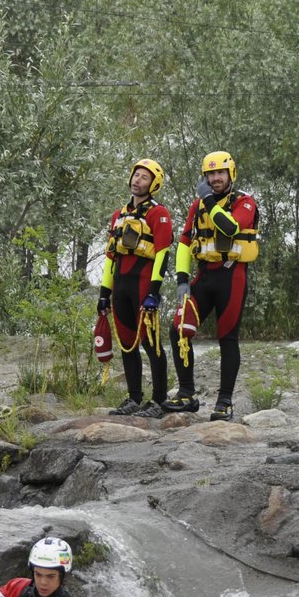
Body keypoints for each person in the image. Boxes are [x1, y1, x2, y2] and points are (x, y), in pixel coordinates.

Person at [163, 150, 259, 422]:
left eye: (220, 173)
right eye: (210, 174)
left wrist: (207, 199)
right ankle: (186, 393)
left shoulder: (245, 202)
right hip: (204, 277)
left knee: (227, 338)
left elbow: (229, 228)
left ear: (230, 174)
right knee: (178, 330)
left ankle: (224, 402)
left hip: (232, 277)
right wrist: (182, 279)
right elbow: (184, 242)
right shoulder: (197, 207)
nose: (215, 178)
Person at [98, 158, 173, 418]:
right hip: (120, 286)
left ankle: (160, 401)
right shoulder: (118, 215)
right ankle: (134, 398)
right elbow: (110, 257)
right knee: (127, 344)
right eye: (136, 175)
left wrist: (154, 291)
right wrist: (104, 294)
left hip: (143, 286)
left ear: (154, 184)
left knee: (151, 344)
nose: (137, 180)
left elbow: (163, 253)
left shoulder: (158, 213)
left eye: (144, 177)